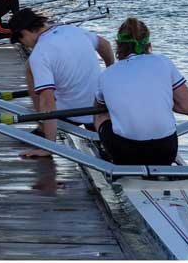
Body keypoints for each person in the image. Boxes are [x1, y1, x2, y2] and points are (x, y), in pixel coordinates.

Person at [8, 9, 115, 159]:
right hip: (101, 110)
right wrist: (111, 74)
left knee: (31, 70)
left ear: (25, 32)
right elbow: (105, 45)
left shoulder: (40, 54)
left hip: (72, 114)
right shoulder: (72, 30)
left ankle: (44, 126)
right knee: (33, 68)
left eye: (20, 40)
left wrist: (49, 146)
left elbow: (47, 101)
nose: (24, 45)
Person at [95, 17, 188, 166]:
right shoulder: (164, 62)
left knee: (101, 115)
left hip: (126, 154)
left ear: (118, 45)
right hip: (166, 152)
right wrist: (162, 98)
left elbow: (98, 109)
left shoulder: (106, 74)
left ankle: (105, 152)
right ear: (148, 44)